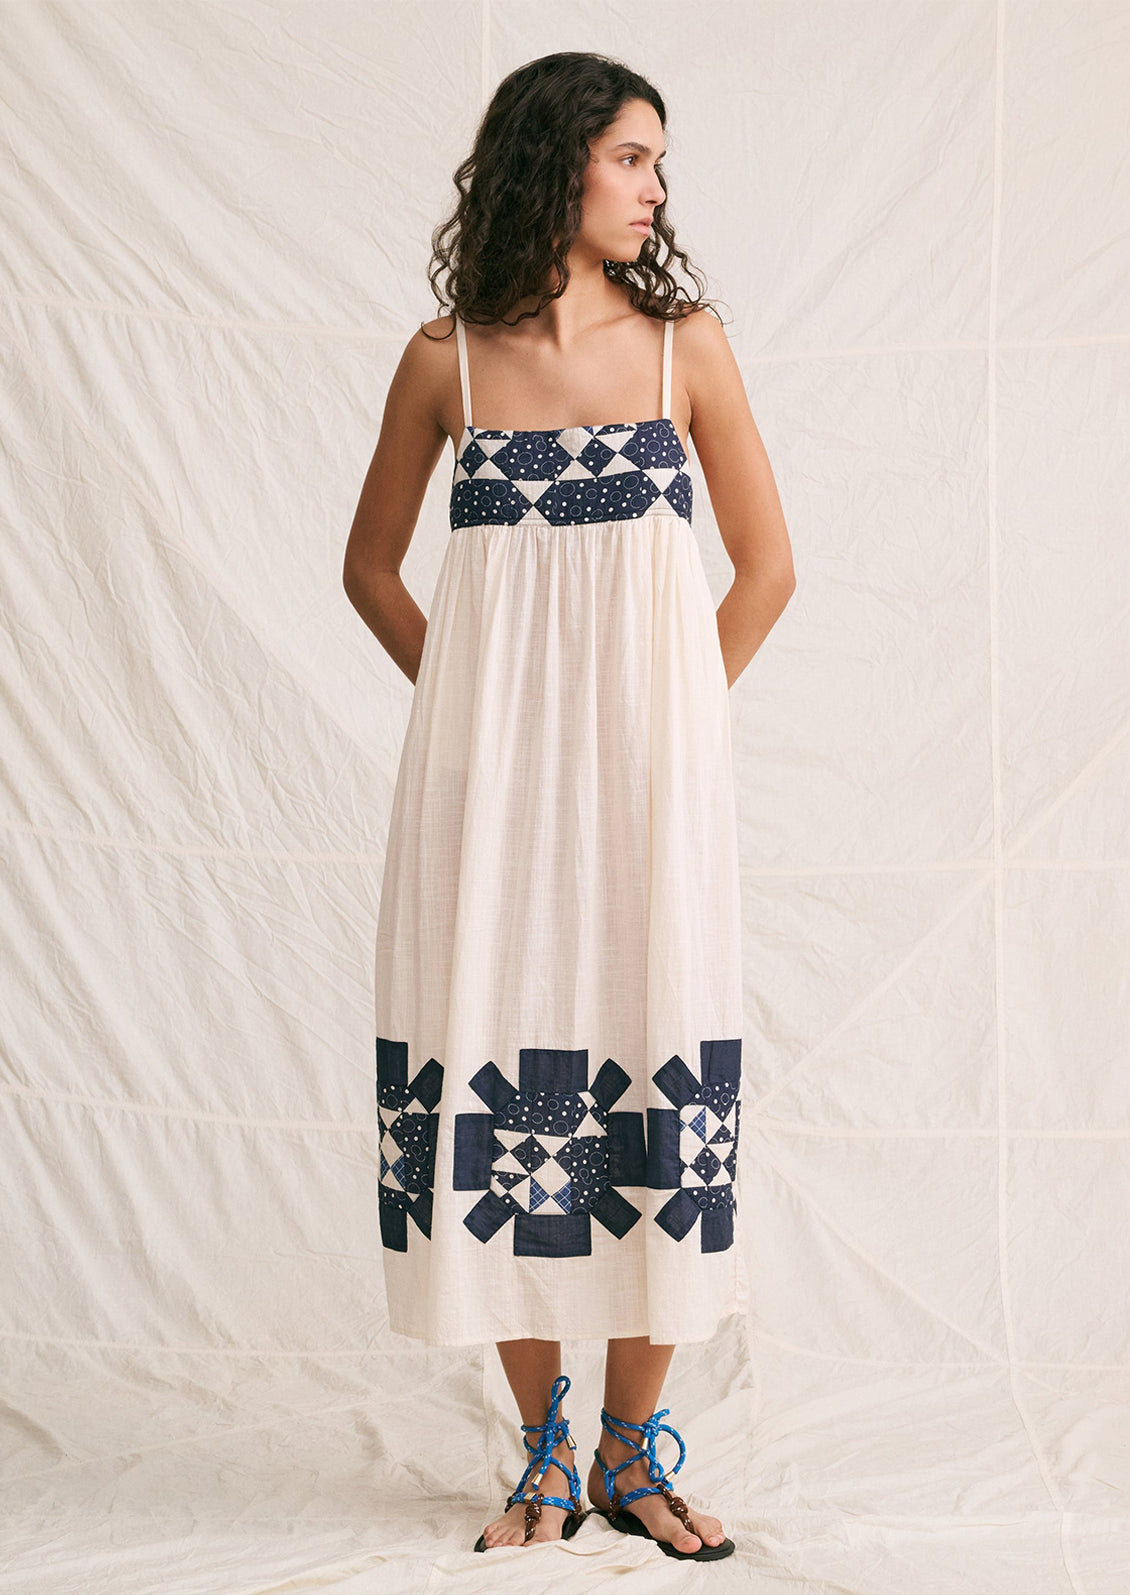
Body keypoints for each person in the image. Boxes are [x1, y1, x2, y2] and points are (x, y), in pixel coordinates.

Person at [343, 51, 794, 1562]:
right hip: (486, 801)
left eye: (657, 162)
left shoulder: (682, 350)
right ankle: (542, 1445)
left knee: (656, 1045)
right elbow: (369, 570)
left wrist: (675, 721)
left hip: (654, 791)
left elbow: (768, 568)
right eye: (632, 157)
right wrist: (473, 716)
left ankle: (629, 1447)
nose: (656, 187)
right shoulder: (447, 363)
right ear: (556, 163)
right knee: (496, 1045)